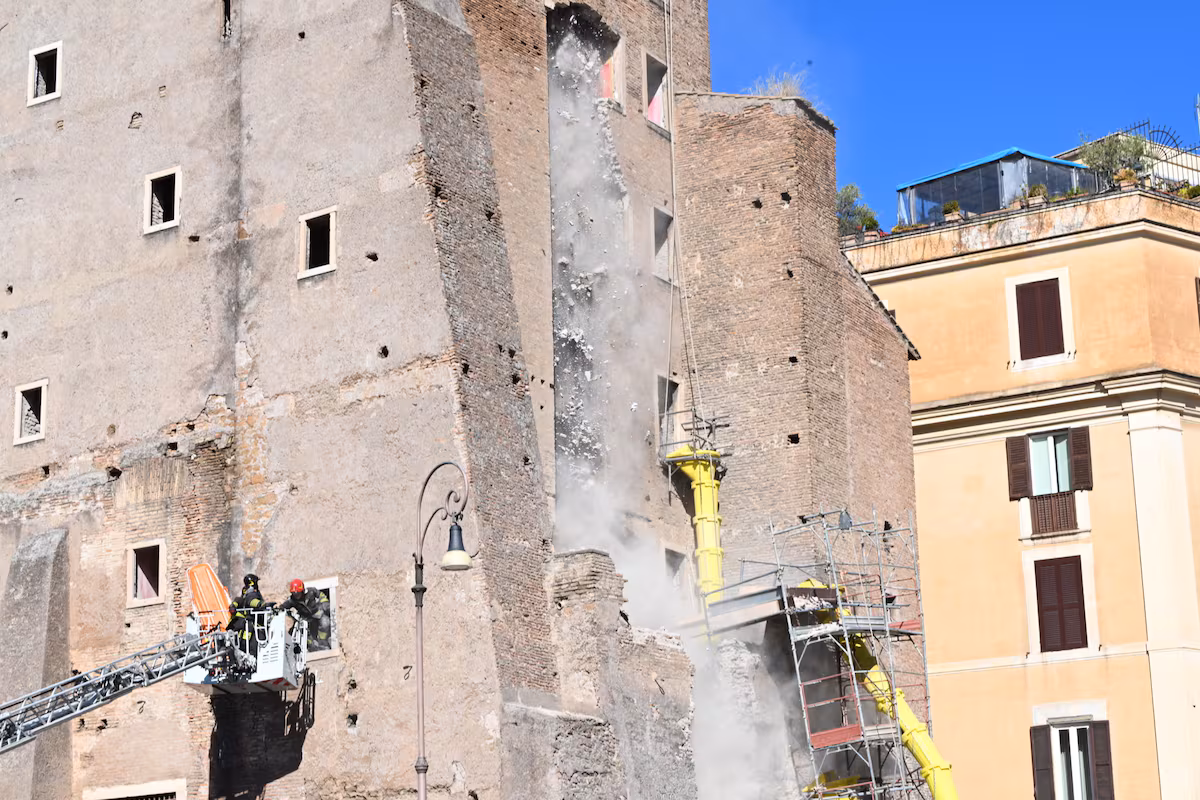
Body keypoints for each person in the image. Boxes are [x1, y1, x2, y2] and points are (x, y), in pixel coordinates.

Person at [280, 579, 332, 652]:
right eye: (294, 593)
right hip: (306, 619)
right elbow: (284, 605)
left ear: (302, 590)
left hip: (317, 613)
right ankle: (312, 647)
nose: (296, 595)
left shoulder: (311, 591)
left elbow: (321, 595)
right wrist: (279, 608)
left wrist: (324, 603)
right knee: (301, 631)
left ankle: (322, 642)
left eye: (297, 593)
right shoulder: (292, 600)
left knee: (325, 622)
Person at [227, 574, 265, 657]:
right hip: (250, 626)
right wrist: (262, 604)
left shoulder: (242, 598)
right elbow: (251, 601)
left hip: (240, 626)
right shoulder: (252, 595)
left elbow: (236, 603)